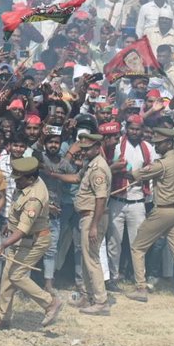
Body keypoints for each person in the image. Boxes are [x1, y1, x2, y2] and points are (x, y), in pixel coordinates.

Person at [124, 128, 174, 308]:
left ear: (169, 143)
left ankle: (141, 288)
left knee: (137, 247)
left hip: (163, 210)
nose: (156, 145)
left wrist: (125, 169)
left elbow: (136, 175)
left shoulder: (161, 164)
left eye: (159, 143)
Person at [0, 156, 62, 330]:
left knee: (17, 275)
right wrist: (9, 225)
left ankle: (50, 303)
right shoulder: (28, 182)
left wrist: (3, 244)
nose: (16, 182)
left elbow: (23, 230)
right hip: (21, 239)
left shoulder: (34, 198)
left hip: (34, 241)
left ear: (31, 178)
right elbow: (18, 218)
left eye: (19, 179)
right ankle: (3, 320)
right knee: (6, 279)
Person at [75, 134, 112, 316]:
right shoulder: (91, 164)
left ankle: (100, 301)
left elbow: (101, 198)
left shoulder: (97, 169)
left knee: (92, 259)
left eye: (87, 148)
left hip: (92, 217)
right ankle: (89, 295)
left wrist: (94, 225)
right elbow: (76, 179)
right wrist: (53, 173)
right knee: (87, 258)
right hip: (88, 216)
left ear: (97, 148)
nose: (83, 151)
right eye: (82, 148)